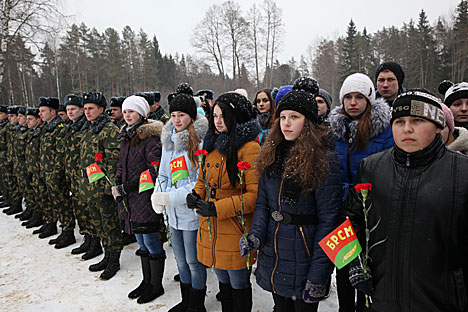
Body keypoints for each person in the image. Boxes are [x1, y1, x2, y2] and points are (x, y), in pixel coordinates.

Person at [347, 89, 468, 312]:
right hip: (379, 299)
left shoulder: (462, 172)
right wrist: (352, 262)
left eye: (417, 120)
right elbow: (351, 220)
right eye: (399, 121)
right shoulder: (371, 167)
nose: (407, 129)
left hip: (441, 302)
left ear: (438, 125)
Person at [240, 77, 343, 312]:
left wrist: (319, 273)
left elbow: (329, 221)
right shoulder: (271, 154)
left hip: (305, 253)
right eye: (283, 117)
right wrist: (255, 235)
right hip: (275, 251)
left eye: (295, 117)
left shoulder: (324, 160)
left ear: (308, 122)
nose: (286, 123)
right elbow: (264, 203)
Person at [186, 91, 261, 311]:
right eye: (215, 116)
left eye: (223, 116)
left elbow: (254, 196)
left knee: (238, 282)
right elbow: (202, 180)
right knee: (223, 280)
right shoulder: (211, 144)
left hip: (235, 227)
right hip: (211, 227)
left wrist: (217, 208)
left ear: (235, 117)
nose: (218, 122)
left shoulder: (250, 149)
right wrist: (196, 194)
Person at [328, 73, 394, 312]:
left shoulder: (384, 130)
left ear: (369, 99)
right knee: (344, 270)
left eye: (359, 97)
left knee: (367, 272)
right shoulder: (335, 131)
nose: (353, 102)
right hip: (341, 213)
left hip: (372, 213)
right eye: (348, 97)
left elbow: (389, 169)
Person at [152, 84, 209, 311]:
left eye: (182, 115)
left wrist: (169, 197)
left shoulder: (198, 142)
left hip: (189, 211)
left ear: (191, 116)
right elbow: (163, 173)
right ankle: (186, 301)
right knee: (181, 261)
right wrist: (157, 194)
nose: (176, 120)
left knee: (194, 262)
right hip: (172, 213)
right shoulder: (169, 141)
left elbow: (197, 182)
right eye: (173, 115)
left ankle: (197, 305)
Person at [110, 95, 166, 303]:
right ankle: (146, 281)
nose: (127, 115)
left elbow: (154, 169)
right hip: (130, 198)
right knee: (141, 241)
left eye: (131, 112)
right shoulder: (126, 135)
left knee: (150, 240)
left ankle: (156, 285)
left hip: (145, 196)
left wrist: (131, 185)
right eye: (125, 112)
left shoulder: (150, 138)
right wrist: (117, 179)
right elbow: (122, 163)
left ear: (142, 113)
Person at [79, 91, 124, 279]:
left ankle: (114, 259)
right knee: (99, 224)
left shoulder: (110, 130)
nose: (87, 112)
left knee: (110, 224)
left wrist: (109, 189)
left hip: (103, 188)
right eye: (85, 109)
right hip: (90, 188)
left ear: (101, 110)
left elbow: (114, 161)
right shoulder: (88, 129)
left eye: (91, 109)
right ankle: (107, 254)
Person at [36, 98, 72, 240]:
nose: (40, 114)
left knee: (62, 203)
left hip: (56, 173)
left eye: (43, 111)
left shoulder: (60, 128)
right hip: (47, 171)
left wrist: (57, 173)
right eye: (40, 111)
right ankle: (51, 224)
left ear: (53, 112)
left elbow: (60, 153)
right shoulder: (47, 127)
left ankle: (67, 231)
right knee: (51, 201)